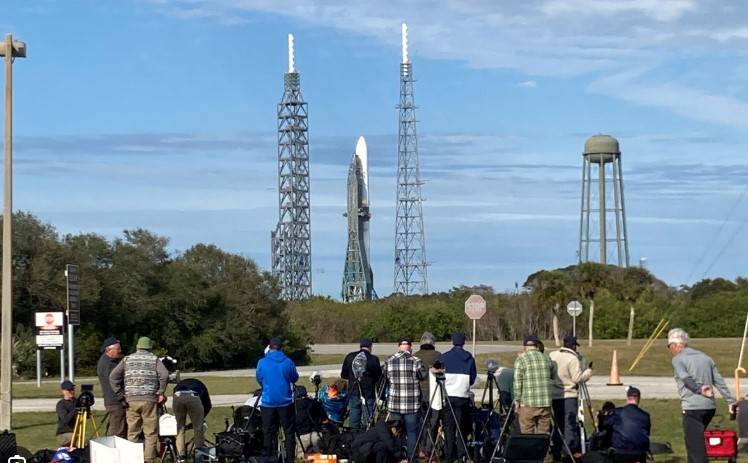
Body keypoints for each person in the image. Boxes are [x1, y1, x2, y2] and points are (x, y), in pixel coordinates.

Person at [667, 328, 737, 463]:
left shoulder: (678, 359)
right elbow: (719, 381)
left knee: (696, 448)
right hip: (709, 407)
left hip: (692, 408)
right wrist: (730, 400)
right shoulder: (706, 357)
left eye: (670, 347)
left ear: (676, 345)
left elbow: (685, 379)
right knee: (693, 442)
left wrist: (699, 390)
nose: (670, 350)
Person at [109, 336, 169, 463]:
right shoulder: (154, 359)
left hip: (130, 399)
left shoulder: (127, 359)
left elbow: (113, 377)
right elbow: (164, 375)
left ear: (137, 347)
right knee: (150, 432)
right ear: (150, 347)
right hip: (149, 399)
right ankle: (148, 459)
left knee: (133, 432)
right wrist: (161, 392)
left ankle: (132, 459)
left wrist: (120, 394)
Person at [549, 335, 592, 461]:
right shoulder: (573, 359)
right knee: (569, 424)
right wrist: (588, 372)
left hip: (555, 395)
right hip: (569, 395)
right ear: (573, 346)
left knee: (558, 424)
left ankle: (557, 449)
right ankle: (567, 452)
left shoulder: (552, 355)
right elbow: (577, 378)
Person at [256, 337, 300, 463]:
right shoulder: (288, 362)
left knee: (268, 432)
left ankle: (269, 458)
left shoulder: (262, 362)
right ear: (281, 348)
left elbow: (259, 379)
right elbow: (294, 378)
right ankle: (290, 458)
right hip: (285, 402)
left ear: (269, 347)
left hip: (268, 402)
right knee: (289, 432)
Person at [384, 338, 427, 462]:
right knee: (412, 432)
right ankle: (412, 458)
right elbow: (423, 376)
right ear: (411, 347)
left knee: (396, 432)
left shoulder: (389, 360)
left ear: (398, 347)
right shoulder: (416, 361)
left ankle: (397, 456)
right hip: (412, 404)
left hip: (395, 404)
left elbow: (385, 377)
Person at [439, 332, 477, 462]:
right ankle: (462, 455)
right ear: (464, 342)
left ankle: (449, 455)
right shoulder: (469, 357)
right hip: (462, 396)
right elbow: (472, 379)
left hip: (448, 396)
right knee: (462, 427)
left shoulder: (444, 357)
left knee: (449, 428)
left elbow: (439, 377)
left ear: (452, 341)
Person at [513, 335, 555, 435]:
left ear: (524, 347)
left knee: (527, 433)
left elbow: (517, 382)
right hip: (545, 403)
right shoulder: (546, 358)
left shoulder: (521, 359)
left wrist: (517, 400)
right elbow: (553, 376)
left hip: (528, 403)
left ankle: (529, 451)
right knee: (544, 433)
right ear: (537, 346)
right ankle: (542, 450)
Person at [600, 387, 650, 462]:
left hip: (620, 453)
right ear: (639, 399)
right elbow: (647, 433)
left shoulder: (617, 413)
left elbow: (604, 425)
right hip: (639, 454)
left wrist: (601, 416)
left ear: (627, 398)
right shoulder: (646, 416)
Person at [341, 338, 382, 429]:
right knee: (367, 420)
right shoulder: (374, 359)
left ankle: (353, 436)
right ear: (370, 347)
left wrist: (353, 377)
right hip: (368, 393)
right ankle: (366, 437)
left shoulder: (350, 356)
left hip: (353, 392)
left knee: (354, 417)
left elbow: (343, 375)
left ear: (360, 346)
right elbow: (378, 377)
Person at [414, 332, 442, 455]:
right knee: (433, 421)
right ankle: (430, 448)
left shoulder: (414, 356)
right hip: (434, 393)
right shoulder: (438, 355)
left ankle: (421, 448)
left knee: (421, 421)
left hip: (418, 393)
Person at [172, 378, 212, 462]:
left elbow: (174, 391)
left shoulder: (180, 385)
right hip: (193, 395)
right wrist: (201, 418)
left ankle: (181, 457)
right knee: (198, 428)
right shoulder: (202, 387)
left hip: (177, 395)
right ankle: (199, 455)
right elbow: (208, 406)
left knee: (180, 428)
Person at [97, 336, 126, 438]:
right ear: (108, 350)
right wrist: (122, 397)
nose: (120, 351)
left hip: (112, 401)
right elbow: (116, 381)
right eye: (117, 349)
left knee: (117, 427)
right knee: (118, 431)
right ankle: (115, 451)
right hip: (115, 402)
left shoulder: (107, 361)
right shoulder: (109, 365)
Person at [55, 380, 77, 447]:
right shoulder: (61, 404)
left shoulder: (76, 401)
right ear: (63, 391)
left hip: (76, 432)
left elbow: (87, 416)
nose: (71, 392)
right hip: (64, 434)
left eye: (72, 389)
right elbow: (65, 420)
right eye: (69, 390)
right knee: (83, 442)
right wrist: (75, 410)